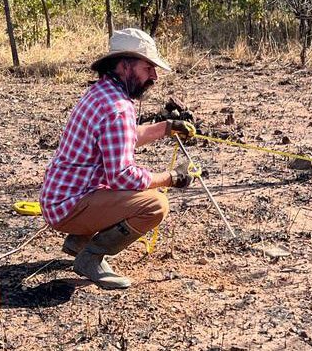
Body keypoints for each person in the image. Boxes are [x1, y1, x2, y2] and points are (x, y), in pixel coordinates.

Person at [39, 28, 196, 290]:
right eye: (148, 68)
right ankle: (91, 257)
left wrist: (165, 128)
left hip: (61, 198)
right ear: (124, 65)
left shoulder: (103, 93)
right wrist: (172, 178)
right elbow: (123, 176)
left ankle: (79, 241)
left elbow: (122, 139)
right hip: (68, 206)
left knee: (133, 194)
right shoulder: (117, 108)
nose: (154, 76)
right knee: (155, 204)